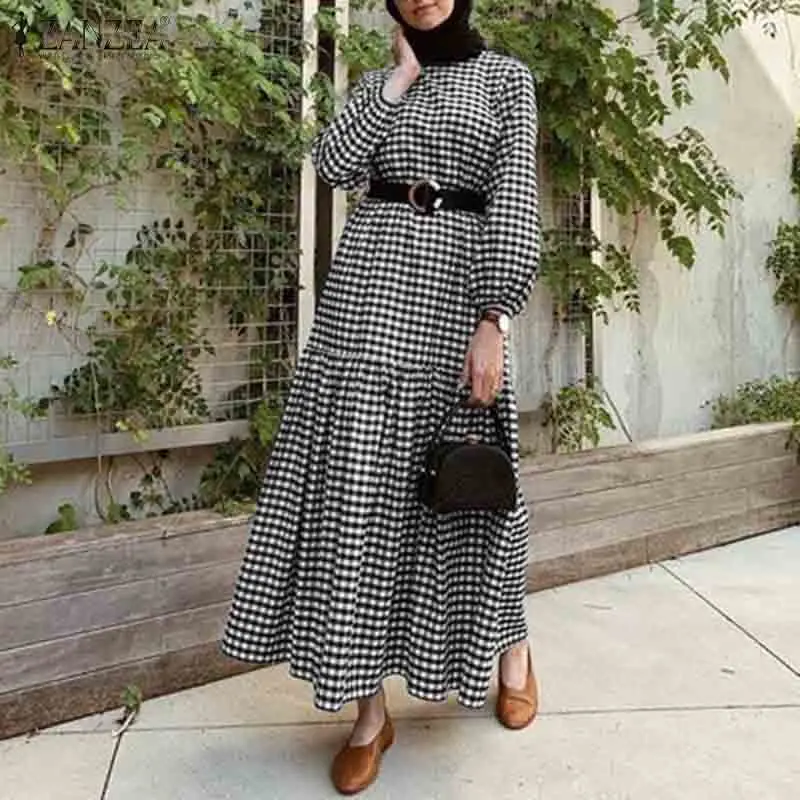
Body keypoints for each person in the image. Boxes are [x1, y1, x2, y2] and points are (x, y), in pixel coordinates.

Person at [220, 0, 541, 793]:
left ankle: (513, 648)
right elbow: (333, 164)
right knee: (355, 494)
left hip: (456, 295)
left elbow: (515, 200)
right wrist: (397, 81)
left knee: (472, 485)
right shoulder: (380, 82)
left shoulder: (505, 80)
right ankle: (369, 713)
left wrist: (494, 318)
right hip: (367, 296)